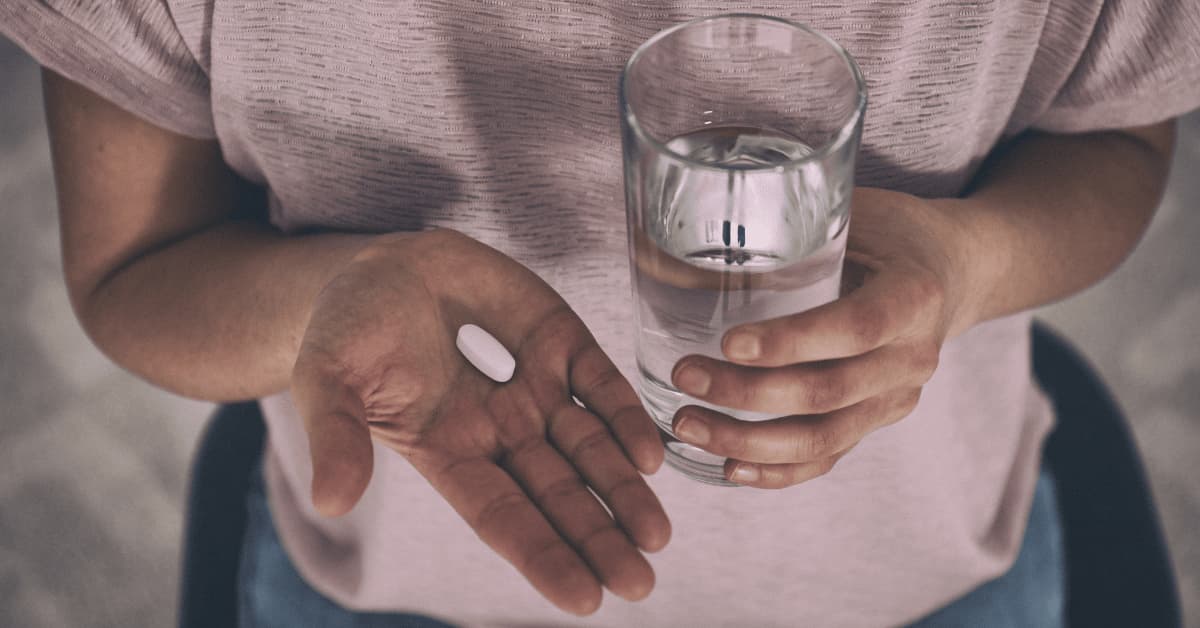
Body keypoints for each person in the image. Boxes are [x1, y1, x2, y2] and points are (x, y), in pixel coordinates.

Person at [3, 1, 1197, 626]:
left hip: (929, 588)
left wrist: (972, 262)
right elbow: (133, 267)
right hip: (397, 600)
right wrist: (322, 298)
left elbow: (1123, 142)